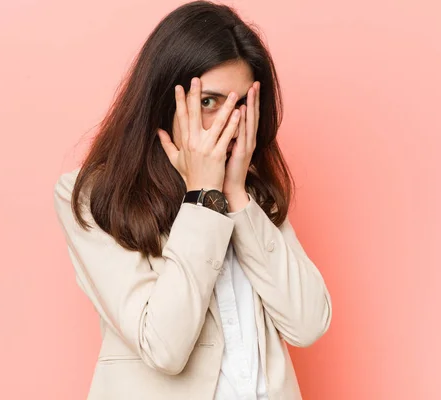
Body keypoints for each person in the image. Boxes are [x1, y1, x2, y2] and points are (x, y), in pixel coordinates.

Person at [53, 1, 332, 399]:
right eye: (208, 102)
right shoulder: (92, 198)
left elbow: (308, 324)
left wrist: (235, 194)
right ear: (165, 101)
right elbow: (164, 347)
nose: (226, 124)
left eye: (240, 107)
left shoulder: (252, 195)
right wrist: (203, 198)